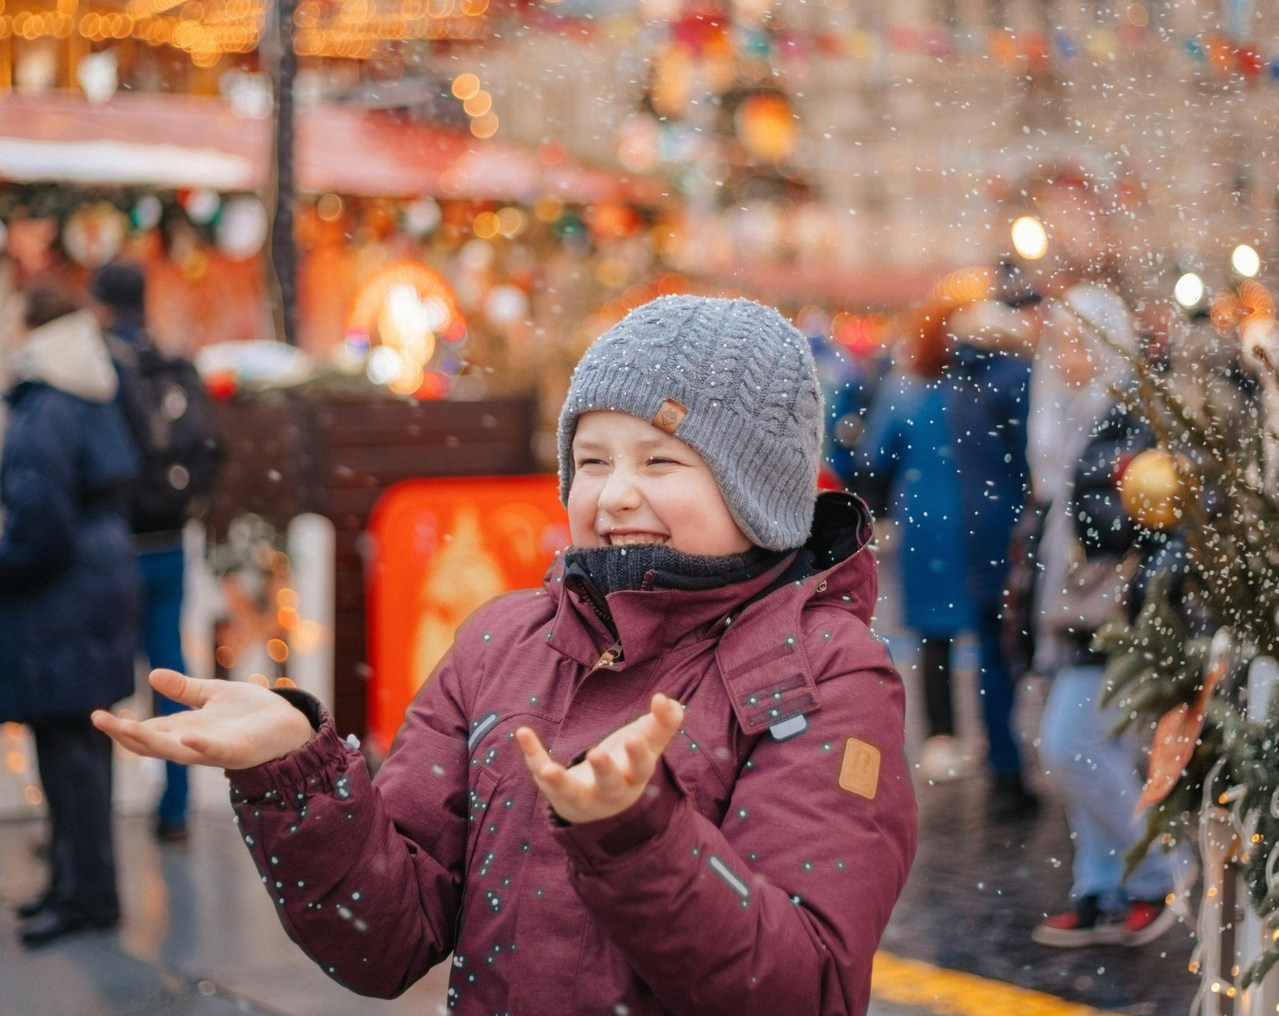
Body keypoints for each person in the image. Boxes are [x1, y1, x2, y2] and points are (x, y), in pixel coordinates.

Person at [93, 294, 918, 1015]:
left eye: (661, 460)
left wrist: (638, 835)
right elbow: (386, 941)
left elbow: (801, 988)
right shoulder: (501, 641)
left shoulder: (827, 671)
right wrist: (293, 773)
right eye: (591, 461)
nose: (615, 492)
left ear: (760, 489)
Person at [1028, 283, 1178, 947]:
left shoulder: (1130, 413)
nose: (1066, 356)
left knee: (1071, 743)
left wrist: (1108, 531)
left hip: (1117, 610)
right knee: (1100, 745)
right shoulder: (1067, 414)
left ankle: (1157, 872)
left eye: (1077, 341)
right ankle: (1102, 887)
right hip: (1079, 608)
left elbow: (1157, 514)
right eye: (1059, 342)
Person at [0, 282, 140, 946]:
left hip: (61, 602)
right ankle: (77, 885)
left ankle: (84, 897)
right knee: (81, 759)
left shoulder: (48, 403)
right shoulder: (88, 389)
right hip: (93, 591)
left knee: (69, 761)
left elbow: (39, 524)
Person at [90, 260, 220, 844]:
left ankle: (88, 819)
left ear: (101, 302)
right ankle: (176, 808)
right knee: (171, 674)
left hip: (116, 546)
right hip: (170, 542)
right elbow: (212, 447)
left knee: (98, 680)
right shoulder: (170, 363)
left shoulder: (102, 367)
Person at [856, 311, 974, 784]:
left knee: (935, 637)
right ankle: (997, 744)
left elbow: (874, 453)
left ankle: (944, 737)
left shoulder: (907, 390)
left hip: (927, 522)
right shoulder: (975, 390)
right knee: (988, 633)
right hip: (979, 521)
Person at [940, 299, 1039, 817]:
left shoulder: (961, 380)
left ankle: (1004, 767)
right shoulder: (1016, 376)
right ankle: (1027, 766)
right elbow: (1034, 457)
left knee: (989, 655)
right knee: (1028, 651)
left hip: (973, 529)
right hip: (1015, 532)